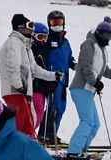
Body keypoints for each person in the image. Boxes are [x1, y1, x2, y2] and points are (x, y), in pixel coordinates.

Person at [67, 17, 111, 158]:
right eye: (105, 35)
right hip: (81, 88)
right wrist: (94, 81)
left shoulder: (101, 49)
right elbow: (85, 66)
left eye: (110, 36)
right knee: (87, 121)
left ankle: (82, 151)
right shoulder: (89, 44)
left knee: (95, 124)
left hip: (88, 91)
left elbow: (104, 70)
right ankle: (73, 152)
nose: (107, 39)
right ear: (98, 33)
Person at [0, 14, 62, 140]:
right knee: (19, 123)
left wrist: (53, 76)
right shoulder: (13, 44)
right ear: (20, 27)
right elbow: (12, 67)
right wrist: (19, 85)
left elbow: (35, 69)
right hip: (14, 91)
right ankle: (11, 146)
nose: (31, 29)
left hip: (23, 92)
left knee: (29, 123)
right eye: (29, 26)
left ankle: (28, 146)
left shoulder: (25, 46)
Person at [38, 10, 75, 145]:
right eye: (54, 22)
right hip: (53, 80)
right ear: (49, 23)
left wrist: (74, 64)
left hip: (63, 80)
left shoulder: (65, 42)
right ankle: (44, 135)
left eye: (59, 22)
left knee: (61, 108)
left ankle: (52, 134)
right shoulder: (48, 40)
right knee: (53, 107)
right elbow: (42, 58)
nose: (57, 25)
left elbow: (69, 58)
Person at [30, 22, 54, 137]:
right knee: (37, 112)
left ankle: (29, 134)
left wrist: (51, 80)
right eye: (40, 37)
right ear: (33, 35)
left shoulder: (46, 49)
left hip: (43, 86)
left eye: (45, 37)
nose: (43, 40)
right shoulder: (31, 49)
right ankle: (28, 134)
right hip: (34, 86)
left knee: (40, 113)